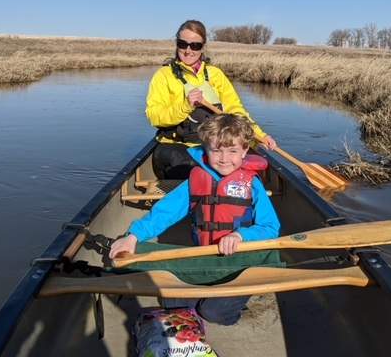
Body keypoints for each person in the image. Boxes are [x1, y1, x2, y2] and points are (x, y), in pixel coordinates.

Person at [110, 113, 280, 325]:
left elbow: (271, 227)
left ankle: (233, 305)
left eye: (233, 151)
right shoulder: (197, 179)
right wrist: (133, 236)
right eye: (217, 150)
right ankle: (206, 291)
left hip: (240, 264)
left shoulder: (252, 185)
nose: (224, 158)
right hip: (203, 256)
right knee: (173, 301)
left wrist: (241, 235)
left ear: (245, 150)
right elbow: (165, 212)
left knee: (214, 313)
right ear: (206, 148)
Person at [146, 19, 277, 179]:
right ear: (177, 44)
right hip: (175, 147)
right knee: (196, 171)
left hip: (214, 147)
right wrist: (185, 106)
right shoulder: (163, 76)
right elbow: (155, 117)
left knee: (240, 172)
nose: (188, 50)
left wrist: (259, 137)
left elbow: (235, 112)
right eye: (183, 44)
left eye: (195, 45)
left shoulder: (215, 74)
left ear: (203, 47)